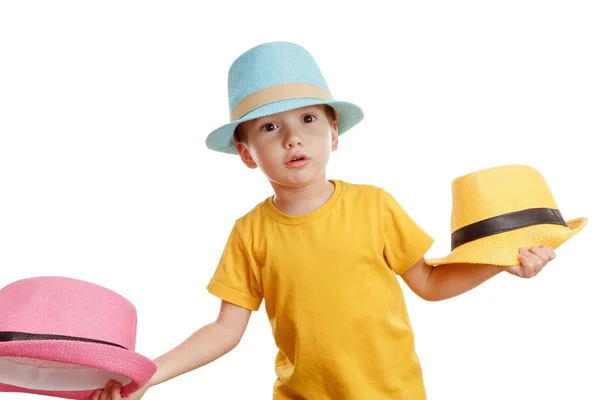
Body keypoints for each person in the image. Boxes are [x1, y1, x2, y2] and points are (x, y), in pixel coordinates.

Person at [92, 41, 556, 400]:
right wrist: (149, 374)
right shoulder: (249, 234)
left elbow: (431, 283)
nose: (294, 138)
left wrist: (500, 261)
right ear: (246, 152)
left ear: (334, 132)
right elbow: (223, 330)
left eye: (308, 119)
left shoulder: (374, 206)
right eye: (270, 127)